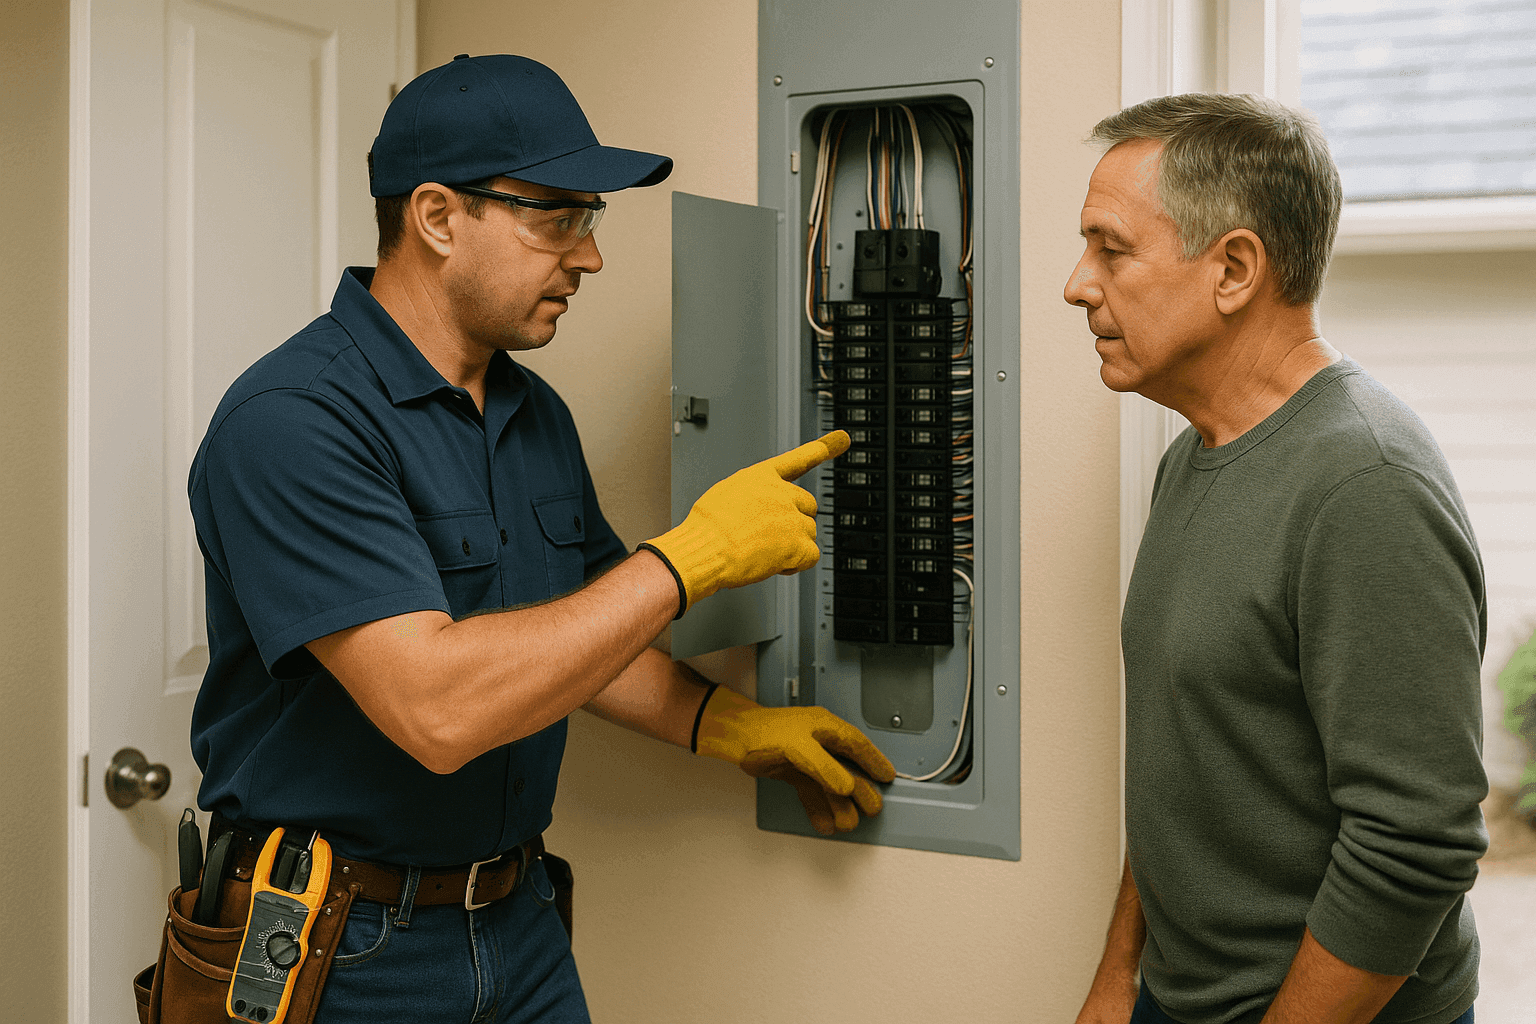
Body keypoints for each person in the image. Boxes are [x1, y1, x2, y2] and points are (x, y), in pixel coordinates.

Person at [187, 53, 894, 1023]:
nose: (590, 256)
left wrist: (731, 728)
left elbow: (586, 634)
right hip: (341, 945)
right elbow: (435, 708)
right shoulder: (293, 422)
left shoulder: (531, 412)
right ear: (437, 217)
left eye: (589, 221)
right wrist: (691, 558)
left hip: (519, 921)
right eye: (555, 219)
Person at [1063, 93, 1487, 1024]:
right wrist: (1116, 976)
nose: (1078, 283)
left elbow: (1415, 842)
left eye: (1112, 248)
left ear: (1235, 268)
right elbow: (1187, 764)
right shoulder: (1194, 456)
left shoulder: (1367, 485)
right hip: (1177, 1000)